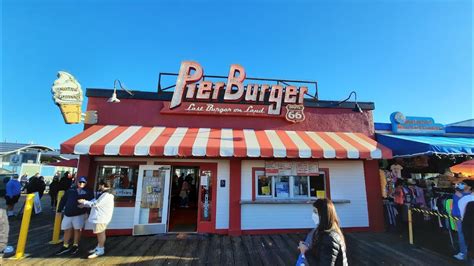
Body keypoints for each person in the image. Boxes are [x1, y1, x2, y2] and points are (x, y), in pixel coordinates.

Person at [298, 198, 348, 266]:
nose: (313, 215)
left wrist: (305, 251)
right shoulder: (323, 233)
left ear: (323, 214)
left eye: (315, 212)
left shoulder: (330, 238)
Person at [55, 176, 93, 255]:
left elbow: (91, 202)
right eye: (80, 182)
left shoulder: (88, 191)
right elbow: (63, 200)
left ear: (86, 183)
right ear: (77, 182)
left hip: (79, 214)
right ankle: (65, 245)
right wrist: (59, 210)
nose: (81, 183)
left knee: (77, 230)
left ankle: (75, 245)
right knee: (67, 229)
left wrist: (87, 212)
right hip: (68, 213)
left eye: (83, 182)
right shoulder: (70, 189)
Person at [78, 179, 115, 259]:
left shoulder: (107, 195)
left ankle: (101, 249)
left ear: (103, 185)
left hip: (101, 217)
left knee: (100, 233)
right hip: (100, 217)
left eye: (100, 185)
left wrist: (84, 202)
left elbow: (96, 203)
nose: (99, 186)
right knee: (99, 233)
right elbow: (94, 201)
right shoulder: (104, 194)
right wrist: (85, 204)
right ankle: (98, 247)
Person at [452, 181, 472, 261]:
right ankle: (464, 252)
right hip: (459, 218)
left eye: (464, 184)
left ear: (469, 187)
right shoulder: (459, 193)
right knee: (463, 235)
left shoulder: (467, 196)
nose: (462, 185)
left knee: (462, 236)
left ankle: (463, 253)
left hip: (463, 218)